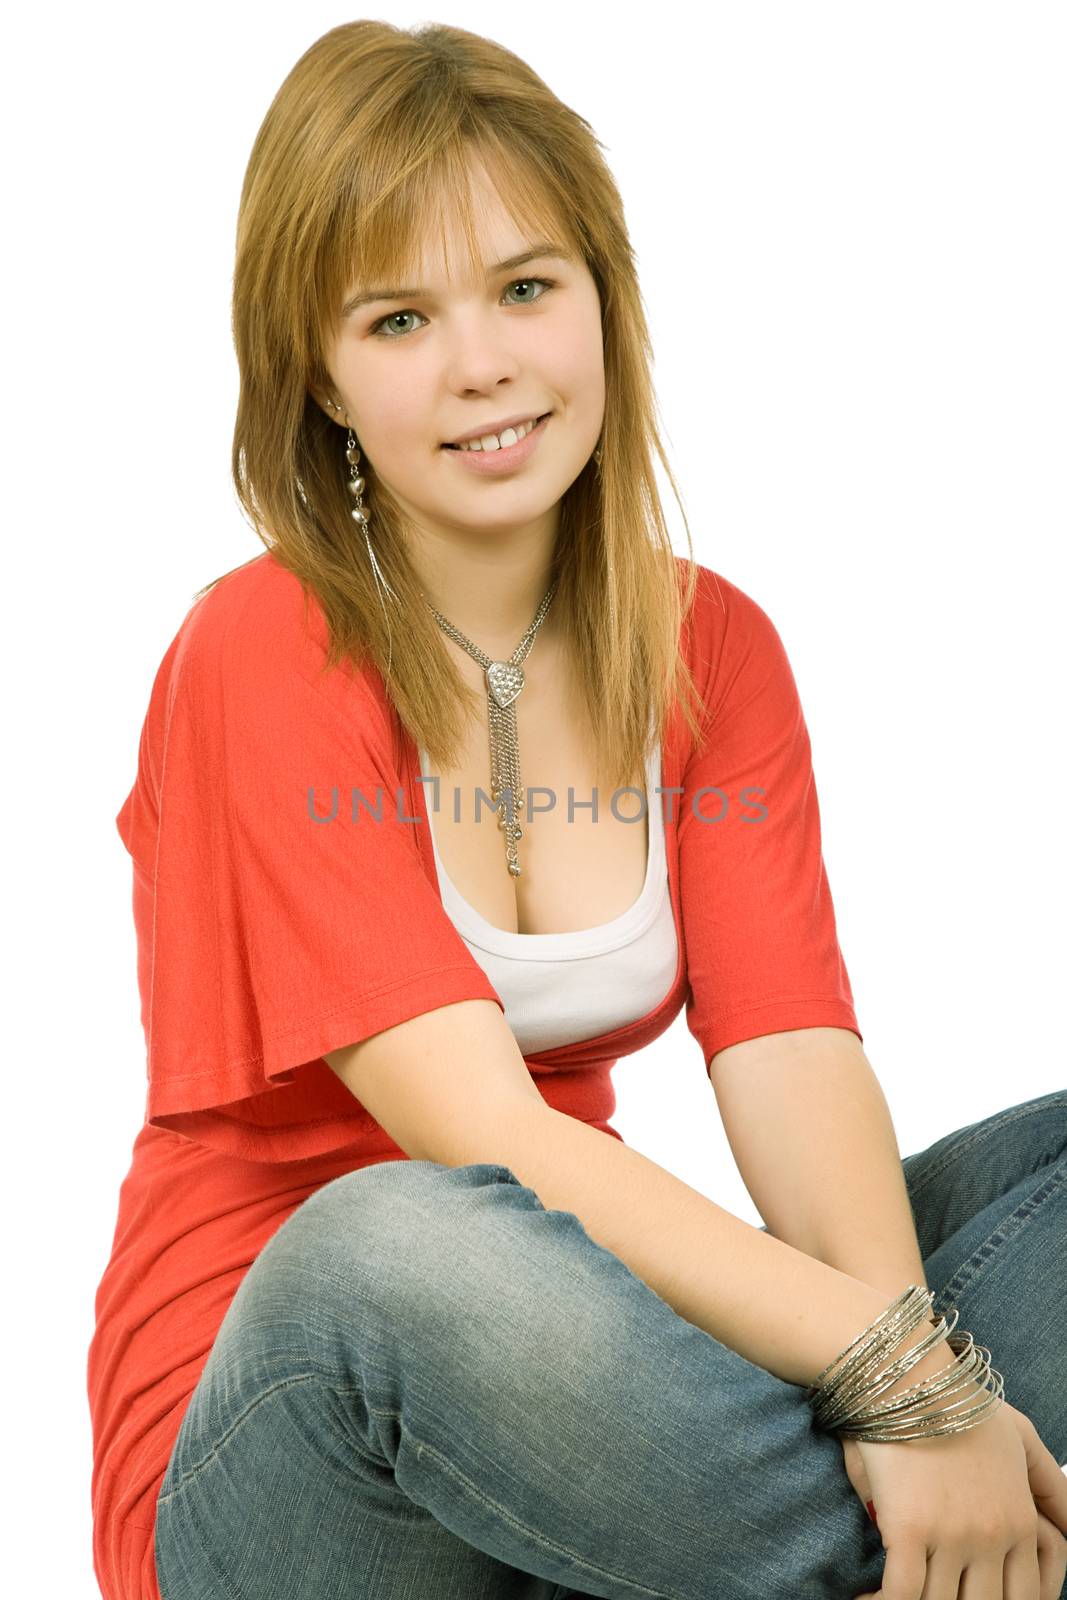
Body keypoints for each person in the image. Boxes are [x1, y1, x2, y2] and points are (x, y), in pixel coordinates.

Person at [87, 19, 1067, 1600]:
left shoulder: (714, 646)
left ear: (605, 303)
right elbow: (476, 1133)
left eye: (528, 288)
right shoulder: (257, 650)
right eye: (400, 317)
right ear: (321, 377)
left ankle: (923, 1536)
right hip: (299, 1428)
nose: (482, 362)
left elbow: (791, 1052)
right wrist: (915, 1382)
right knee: (395, 1239)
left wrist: (916, 1391)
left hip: (609, 1414)